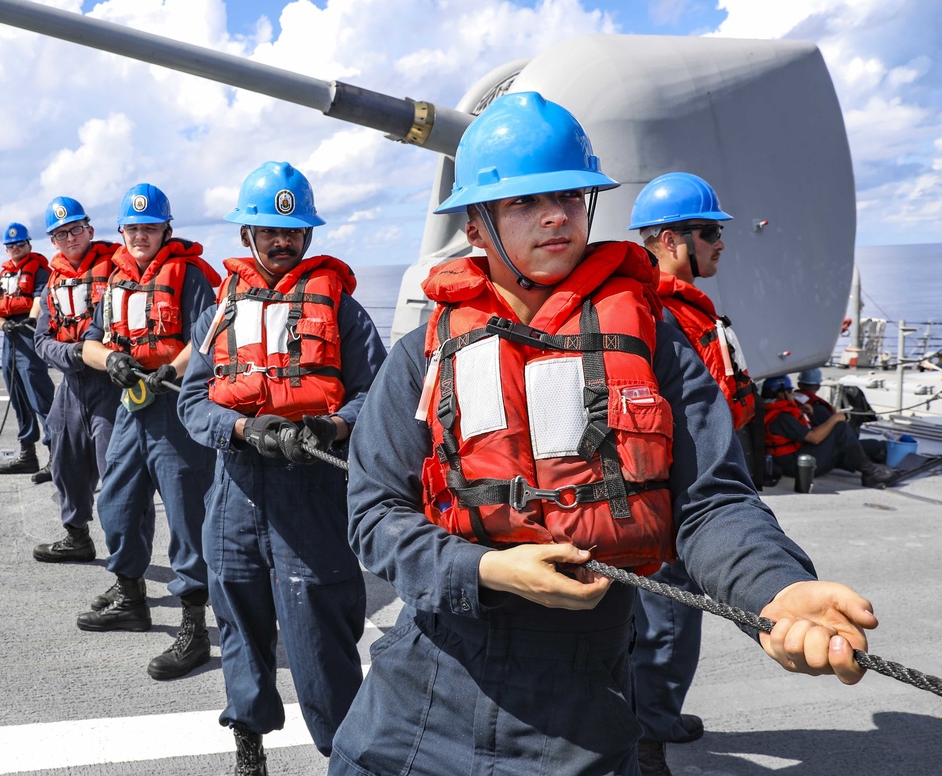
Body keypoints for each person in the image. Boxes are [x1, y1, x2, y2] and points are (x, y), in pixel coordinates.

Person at [328, 92, 878, 776]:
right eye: (525, 202)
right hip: (421, 698)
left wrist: (776, 589)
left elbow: (713, 501)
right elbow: (375, 512)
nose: (556, 214)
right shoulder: (422, 355)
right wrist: (483, 568)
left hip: (579, 710)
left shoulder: (657, 344)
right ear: (476, 227)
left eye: (569, 194)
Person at [177, 161, 386, 774]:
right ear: (247, 235)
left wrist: (331, 426)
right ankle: (249, 746)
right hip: (234, 497)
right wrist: (243, 427)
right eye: (267, 228)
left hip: (313, 496)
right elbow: (192, 402)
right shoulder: (220, 311)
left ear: (309, 237)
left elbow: (373, 392)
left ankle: (345, 756)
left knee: (323, 644)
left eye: (291, 231)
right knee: (240, 631)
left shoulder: (343, 311)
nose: (280, 240)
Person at [626, 172, 759, 773]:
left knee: (667, 620)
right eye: (710, 232)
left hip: (696, 481)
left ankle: (658, 717)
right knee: (667, 623)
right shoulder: (661, 314)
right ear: (670, 240)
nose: (720, 243)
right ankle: (645, 740)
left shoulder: (676, 308)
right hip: (678, 494)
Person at [75, 183, 222, 682]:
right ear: (121, 231)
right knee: (115, 502)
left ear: (167, 230)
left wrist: (173, 371)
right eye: (133, 227)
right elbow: (90, 342)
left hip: (175, 412)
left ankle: (194, 626)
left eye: (150, 227)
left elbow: (207, 335)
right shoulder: (114, 279)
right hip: (130, 410)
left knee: (188, 517)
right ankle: (130, 598)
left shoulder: (193, 276)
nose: (141, 235)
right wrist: (112, 359)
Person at [31, 197, 121, 563]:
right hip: (71, 385)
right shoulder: (53, 284)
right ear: (53, 241)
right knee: (64, 459)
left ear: (90, 230)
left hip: (110, 385)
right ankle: (77, 536)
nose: (70, 238)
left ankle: (124, 560)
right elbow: (41, 340)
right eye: (61, 233)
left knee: (115, 471)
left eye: (76, 229)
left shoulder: (117, 271)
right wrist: (70, 355)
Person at [0, 222, 56, 481]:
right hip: (10, 338)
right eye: (10, 245)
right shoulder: (3, 276)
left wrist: (30, 320)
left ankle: (56, 457)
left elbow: (40, 297)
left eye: (20, 244)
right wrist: (4, 324)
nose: (15, 248)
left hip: (29, 337)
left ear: (29, 245)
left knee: (40, 397)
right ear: (6, 250)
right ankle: (28, 455)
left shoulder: (38, 269)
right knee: (17, 396)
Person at [763, 375, 894, 487]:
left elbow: (796, 432)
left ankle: (881, 451)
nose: (793, 394)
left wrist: (800, 412)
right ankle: (870, 474)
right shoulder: (782, 417)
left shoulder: (778, 412)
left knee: (870, 445)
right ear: (781, 394)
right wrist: (835, 418)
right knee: (841, 428)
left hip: (797, 457)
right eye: (790, 391)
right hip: (798, 465)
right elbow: (813, 438)